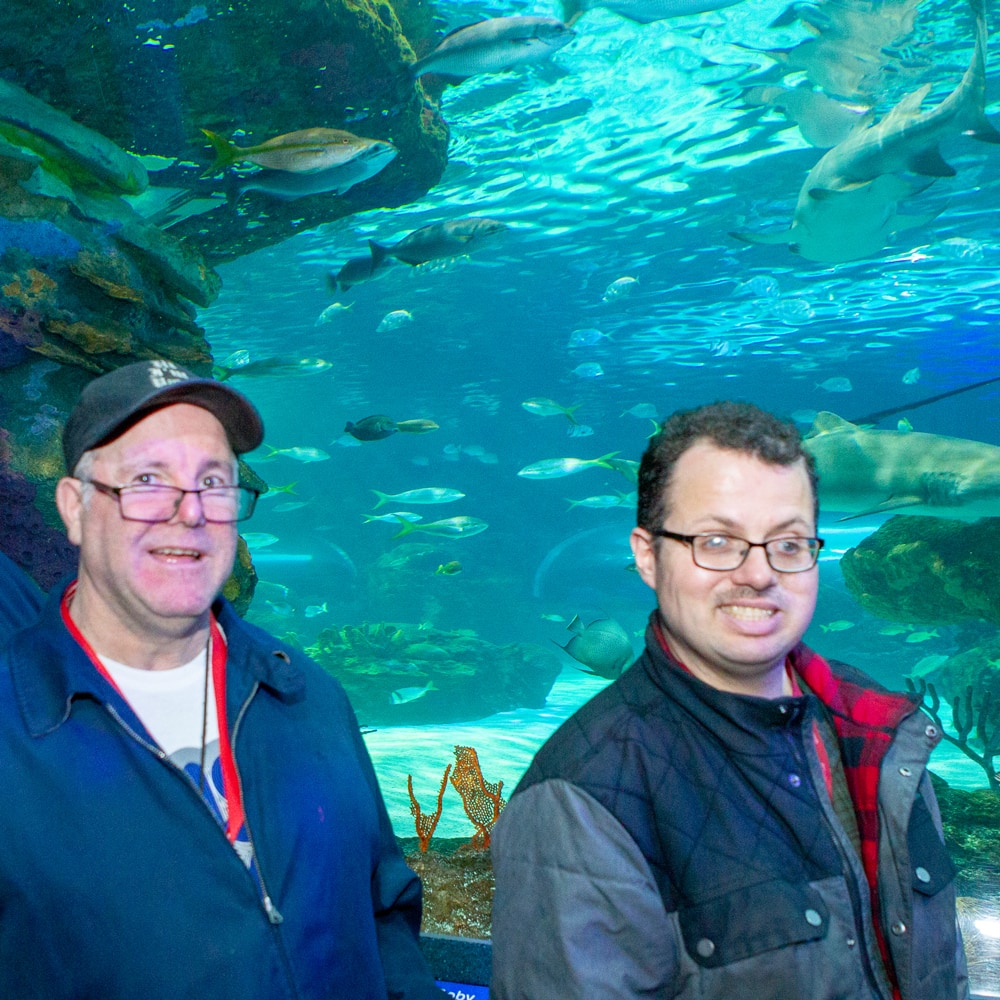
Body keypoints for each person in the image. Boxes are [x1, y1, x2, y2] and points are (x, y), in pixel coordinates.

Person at [490, 401, 967, 1000]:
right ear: (646, 555)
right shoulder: (584, 792)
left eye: (788, 543)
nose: (759, 572)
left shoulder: (887, 731)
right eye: (717, 540)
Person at [0, 359, 445, 1000]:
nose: (190, 513)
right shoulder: (16, 725)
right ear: (75, 507)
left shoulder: (307, 695)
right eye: (148, 480)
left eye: (214, 482)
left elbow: (384, 915)